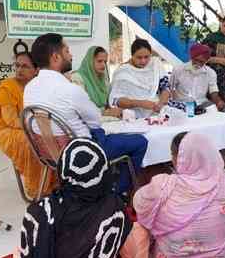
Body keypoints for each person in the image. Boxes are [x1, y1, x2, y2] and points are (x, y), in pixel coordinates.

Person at [24, 33, 147, 193]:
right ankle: (117, 192)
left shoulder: (29, 88)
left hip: (48, 154)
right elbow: (96, 120)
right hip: (82, 153)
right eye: (67, 51)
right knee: (140, 141)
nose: (71, 55)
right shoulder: (69, 89)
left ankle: (104, 184)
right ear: (55, 57)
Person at [15, 138, 149, 258]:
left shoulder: (38, 211)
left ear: (62, 170)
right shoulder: (114, 211)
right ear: (104, 172)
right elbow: (130, 255)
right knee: (140, 234)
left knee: (18, 250)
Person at [134, 132, 225, 258]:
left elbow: (139, 204)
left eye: (173, 155)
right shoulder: (224, 178)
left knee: (139, 230)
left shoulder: (163, 185)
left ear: (179, 158)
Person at [0, 52, 56, 198]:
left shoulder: (38, 87)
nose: (19, 69)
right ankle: (36, 188)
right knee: (32, 142)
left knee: (54, 137)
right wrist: (37, 127)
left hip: (31, 126)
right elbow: (10, 119)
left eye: (25, 66)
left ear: (36, 70)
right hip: (8, 130)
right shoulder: (7, 87)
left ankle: (53, 184)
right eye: (18, 65)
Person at [110, 39, 184, 119]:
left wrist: (161, 103)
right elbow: (116, 101)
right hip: (134, 111)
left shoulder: (155, 64)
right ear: (132, 56)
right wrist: (140, 103)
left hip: (158, 107)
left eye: (146, 57)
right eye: (139, 57)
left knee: (183, 112)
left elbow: (165, 87)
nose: (143, 61)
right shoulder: (123, 72)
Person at [170, 43, 225, 110]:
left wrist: (218, 101)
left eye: (201, 62)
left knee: (217, 110)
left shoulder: (211, 73)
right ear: (191, 57)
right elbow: (170, 88)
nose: (198, 64)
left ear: (206, 61)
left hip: (202, 104)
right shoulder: (178, 69)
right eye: (196, 60)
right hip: (181, 105)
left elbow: (213, 91)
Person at [71, 46, 122, 118]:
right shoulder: (77, 78)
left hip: (106, 121)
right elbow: (80, 107)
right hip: (87, 122)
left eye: (105, 62)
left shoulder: (103, 80)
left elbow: (107, 104)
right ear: (90, 61)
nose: (103, 65)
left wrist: (113, 110)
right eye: (99, 61)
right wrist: (104, 112)